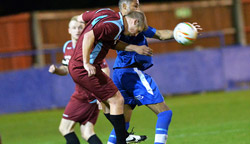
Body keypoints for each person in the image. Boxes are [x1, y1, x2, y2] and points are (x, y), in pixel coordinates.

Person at [107, 0, 202, 144]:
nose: (139, 8)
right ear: (125, 7)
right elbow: (110, 42)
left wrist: (180, 32)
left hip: (119, 73)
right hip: (131, 73)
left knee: (122, 125)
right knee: (165, 113)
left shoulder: (136, 23)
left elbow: (160, 34)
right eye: (136, 5)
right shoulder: (116, 25)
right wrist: (135, 47)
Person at [69, 8, 152, 144]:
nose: (135, 34)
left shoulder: (106, 13)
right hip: (84, 68)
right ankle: (122, 139)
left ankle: (123, 135)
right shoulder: (114, 25)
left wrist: (134, 48)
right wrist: (86, 62)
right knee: (117, 100)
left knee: (108, 103)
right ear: (135, 21)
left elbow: (81, 18)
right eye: (137, 30)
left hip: (80, 66)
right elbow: (88, 36)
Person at [49, 16, 108, 144]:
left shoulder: (89, 47)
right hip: (84, 91)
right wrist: (57, 70)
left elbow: (104, 69)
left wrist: (101, 94)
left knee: (65, 128)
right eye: (74, 28)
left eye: (80, 27)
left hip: (86, 94)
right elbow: (66, 69)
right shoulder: (67, 46)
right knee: (87, 132)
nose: (77, 30)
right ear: (69, 30)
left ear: (84, 30)